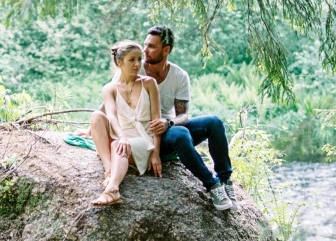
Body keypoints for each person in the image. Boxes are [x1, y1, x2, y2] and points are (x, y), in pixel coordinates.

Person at [91, 26, 236, 210]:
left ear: (166, 50)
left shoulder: (179, 75)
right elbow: (112, 101)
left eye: (151, 46)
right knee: (181, 134)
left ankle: (225, 180)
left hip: (168, 126)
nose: (144, 51)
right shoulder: (133, 67)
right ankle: (212, 185)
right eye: (145, 45)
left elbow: (183, 114)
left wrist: (168, 122)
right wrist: (93, 128)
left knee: (214, 122)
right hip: (149, 130)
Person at [90, 40, 162, 206]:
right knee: (96, 116)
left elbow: (156, 120)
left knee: (118, 145)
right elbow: (112, 116)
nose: (137, 64)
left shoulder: (149, 84)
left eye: (139, 59)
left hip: (142, 139)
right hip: (121, 135)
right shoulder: (110, 88)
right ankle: (109, 170)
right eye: (132, 60)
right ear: (119, 62)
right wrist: (122, 136)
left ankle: (112, 190)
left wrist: (156, 153)